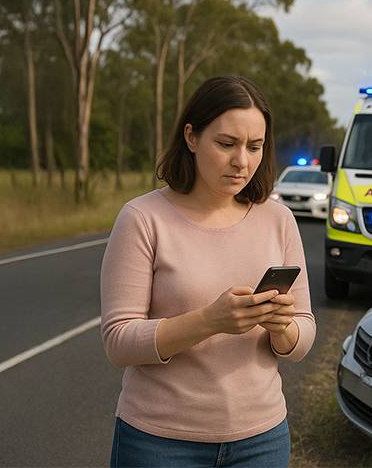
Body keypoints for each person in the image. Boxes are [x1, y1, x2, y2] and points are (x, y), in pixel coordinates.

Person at [100, 74, 315, 468]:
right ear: (191, 137)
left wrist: (282, 327)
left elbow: (301, 340)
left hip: (262, 440)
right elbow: (118, 342)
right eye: (226, 144)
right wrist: (209, 320)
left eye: (255, 146)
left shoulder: (279, 220)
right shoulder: (142, 218)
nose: (242, 161)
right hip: (158, 442)